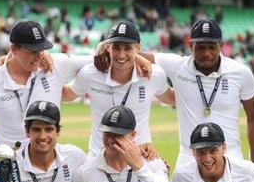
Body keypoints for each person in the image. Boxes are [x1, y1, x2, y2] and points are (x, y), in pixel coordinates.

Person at [135, 19, 254, 182]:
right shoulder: (177, 66)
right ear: (190, 45)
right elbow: (129, 52)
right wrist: (108, 47)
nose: (206, 53)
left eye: (211, 47)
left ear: (220, 46)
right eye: (200, 47)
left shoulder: (240, 72)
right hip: (189, 158)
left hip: (231, 157)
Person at [0, 19, 151, 152]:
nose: (38, 56)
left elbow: (109, 59)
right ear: (14, 49)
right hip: (7, 163)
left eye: (41, 49)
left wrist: (137, 57)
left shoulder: (55, 65)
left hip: (46, 163)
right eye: (32, 51)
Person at [62, 20, 175, 157]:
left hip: (139, 160)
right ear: (108, 47)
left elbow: (172, 98)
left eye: (127, 48)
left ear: (137, 48)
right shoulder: (91, 73)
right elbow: (66, 94)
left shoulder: (153, 74)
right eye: (116, 47)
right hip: (99, 161)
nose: (121, 55)